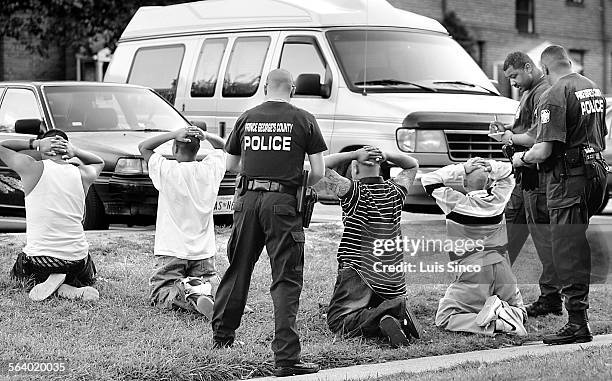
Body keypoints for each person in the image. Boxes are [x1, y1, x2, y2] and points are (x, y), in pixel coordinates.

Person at [211, 69, 326, 377]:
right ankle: (287, 358)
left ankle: (221, 338)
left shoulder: (247, 117)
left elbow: (232, 165)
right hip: (283, 203)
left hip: (248, 200)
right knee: (286, 278)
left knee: (239, 267)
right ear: (292, 89)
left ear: (264, 87)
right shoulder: (304, 119)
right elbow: (318, 171)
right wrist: (297, 183)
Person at [512, 45, 607, 344]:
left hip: (568, 179)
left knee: (567, 250)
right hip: (595, 175)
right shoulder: (592, 88)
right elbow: (600, 138)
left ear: (545, 67)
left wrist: (521, 159)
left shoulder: (552, 94)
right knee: (575, 244)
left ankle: (578, 323)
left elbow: (543, 150)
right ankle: (577, 316)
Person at [321, 146, 422, 347]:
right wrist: (387, 155)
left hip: (360, 271)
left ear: (355, 170)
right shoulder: (395, 192)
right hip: (391, 276)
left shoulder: (353, 192)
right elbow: (412, 164)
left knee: (337, 321)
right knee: (368, 306)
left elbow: (320, 166)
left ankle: (392, 311)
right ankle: (394, 312)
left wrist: (353, 155)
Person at [422, 158, 527, 336]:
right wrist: (492, 166)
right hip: (503, 268)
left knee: (445, 317)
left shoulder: (456, 202)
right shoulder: (498, 200)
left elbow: (428, 180)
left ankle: (497, 323)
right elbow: (510, 172)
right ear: (490, 182)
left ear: (463, 183)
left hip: (473, 270)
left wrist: (462, 167)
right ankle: (502, 310)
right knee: (521, 312)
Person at [491, 51, 561, 317]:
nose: (512, 83)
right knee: (509, 235)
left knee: (544, 241)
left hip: (537, 177)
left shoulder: (545, 92)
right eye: (508, 78)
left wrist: (509, 137)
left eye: (514, 76)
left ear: (529, 68)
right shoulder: (529, 92)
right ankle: (495, 290)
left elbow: (536, 137)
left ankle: (551, 300)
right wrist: (507, 129)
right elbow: (525, 128)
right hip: (523, 178)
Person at [2, 129, 104, 301]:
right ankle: (69, 283)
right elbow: (99, 162)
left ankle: (53, 284)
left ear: (44, 148)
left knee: (19, 272)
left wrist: (33, 144)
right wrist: (76, 151)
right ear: (66, 150)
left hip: (41, 262)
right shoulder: (83, 174)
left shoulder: (31, 167)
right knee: (85, 269)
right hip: (77, 262)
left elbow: (1, 146)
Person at [138, 125, 226, 318]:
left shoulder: (167, 170)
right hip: (204, 253)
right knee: (207, 282)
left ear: (175, 149)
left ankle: (189, 294)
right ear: (198, 149)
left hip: (172, 251)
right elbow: (224, 148)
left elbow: (144, 147)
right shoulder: (209, 170)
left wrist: (173, 134)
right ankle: (213, 294)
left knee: (160, 293)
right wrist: (206, 135)